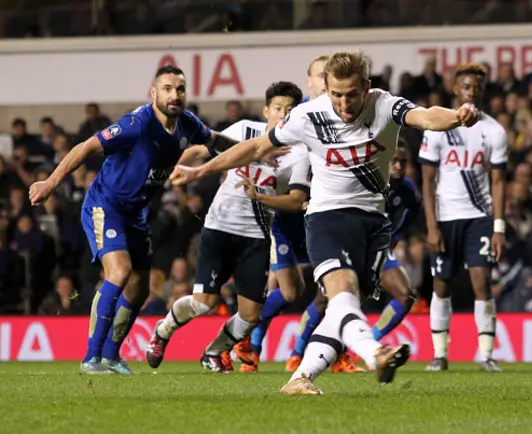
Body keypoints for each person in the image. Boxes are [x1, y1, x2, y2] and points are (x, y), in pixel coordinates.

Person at [168, 50, 478, 394]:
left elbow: (427, 117)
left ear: (366, 87)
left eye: (352, 94)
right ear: (326, 89)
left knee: (343, 308)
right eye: (336, 94)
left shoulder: (385, 106)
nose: (344, 104)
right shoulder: (307, 116)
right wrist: (201, 170)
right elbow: (256, 148)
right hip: (327, 219)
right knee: (342, 293)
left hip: (374, 223)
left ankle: (299, 378)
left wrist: (457, 116)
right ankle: (376, 352)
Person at [28, 65, 228, 374]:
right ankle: (90, 359)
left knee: (138, 289)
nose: (174, 95)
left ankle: (110, 356)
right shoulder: (136, 125)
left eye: (179, 89)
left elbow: (215, 140)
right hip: (105, 206)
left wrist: (256, 152)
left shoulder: (187, 124)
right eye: (167, 89)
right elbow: (87, 147)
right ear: (154, 93)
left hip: (136, 214)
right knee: (119, 272)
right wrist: (50, 183)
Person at [145, 82, 305, 372]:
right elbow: (202, 151)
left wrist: (259, 196)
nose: (283, 115)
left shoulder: (299, 153)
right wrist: (177, 165)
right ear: (266, 110)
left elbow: (296, 201)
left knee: (251, 315)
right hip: (219, 227)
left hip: (256, 236)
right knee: (203, 303)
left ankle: (214, 351)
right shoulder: (244, 130)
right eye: (278, 108)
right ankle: (163, 330)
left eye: (290, 110)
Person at [230, 55, 341, 373]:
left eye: (331, 75)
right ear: (310, 81)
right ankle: (250, 344)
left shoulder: (346, 113)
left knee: (318, 287)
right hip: (289, 216)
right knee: (297, 289)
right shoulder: (299, 117)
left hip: (322, 213)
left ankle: (261, 346)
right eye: (321, 75)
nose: (327, 81)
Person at [285, 143, 422, 373]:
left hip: (377, 244)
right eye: (394, 161)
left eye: (404, 162)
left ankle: (369, 346)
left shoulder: (406, 188)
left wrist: (396, 234)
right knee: (326, 300)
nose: (399, 167)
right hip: (346, 239)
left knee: (405, 295)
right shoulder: (366, 177)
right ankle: (297, 355)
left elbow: (414, 207)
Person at [418, 63, 507, 372]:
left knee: (482, 282)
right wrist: (431, 226)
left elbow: (498, 182)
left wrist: (498, 227)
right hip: (445, 217)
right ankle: (440, 354)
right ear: (455, 90)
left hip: (479, 217)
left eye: (477, 87)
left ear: (483, 91)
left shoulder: (494, 131)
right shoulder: (439, 126)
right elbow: (427, 180)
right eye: (466, 86)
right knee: (442, 284)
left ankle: (486, 355)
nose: (471, 91)